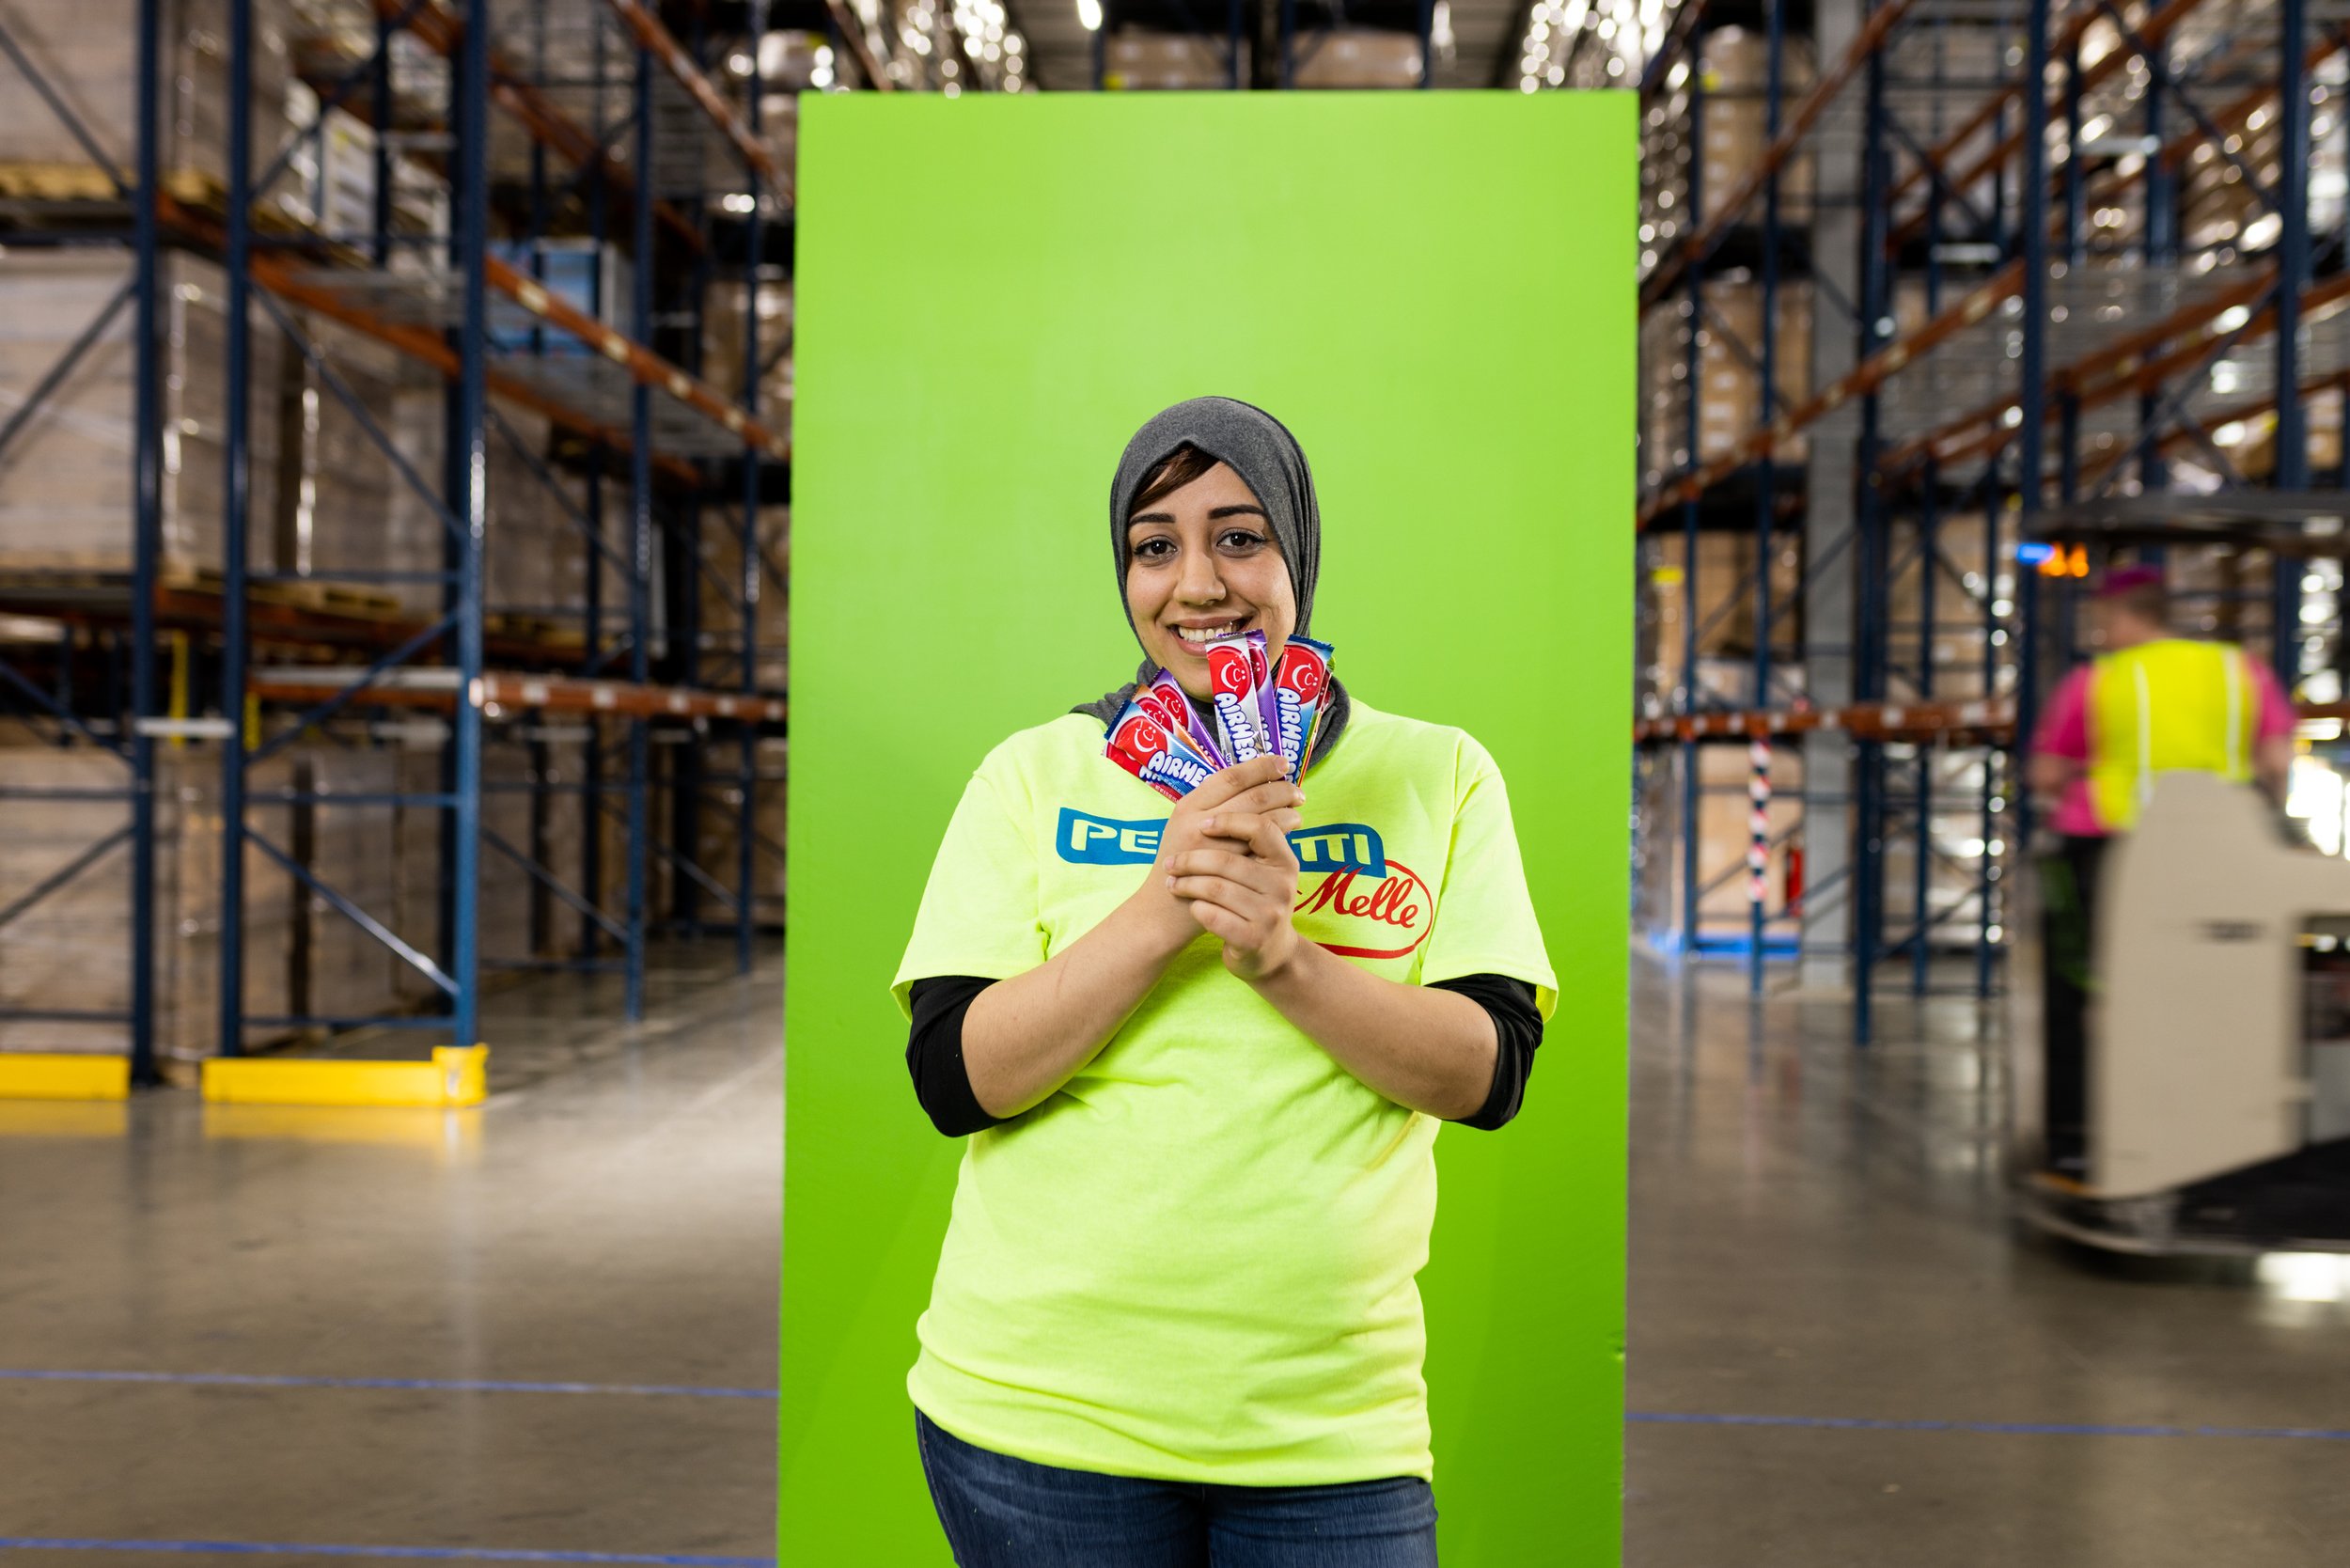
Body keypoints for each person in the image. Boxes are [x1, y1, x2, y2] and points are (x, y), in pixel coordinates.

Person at [891, 397, 1557, 1567]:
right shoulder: (1033, 774)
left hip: (1329, 1434)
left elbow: (1487, 1076)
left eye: (1239, 537)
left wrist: (1282, 959)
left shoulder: (1436, 773)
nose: (1197, 583)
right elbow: (956, 1081)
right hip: (1038, 1421)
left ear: (1298, 552)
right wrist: (1167, 907)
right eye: (1154, 545)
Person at [2026, 564, 2294, 1179]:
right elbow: (2277, 762)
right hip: (2223, 855)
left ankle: (2075, 1137)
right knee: (2224, 984)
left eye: (2102, 620)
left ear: (2124, 616)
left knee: (2078, 989)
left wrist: (2073, 783)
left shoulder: (2098, 680)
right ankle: (2227, 1129)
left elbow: (2046, 772)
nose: (2101, 632)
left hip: (2111, 849)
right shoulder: (2240, 670)